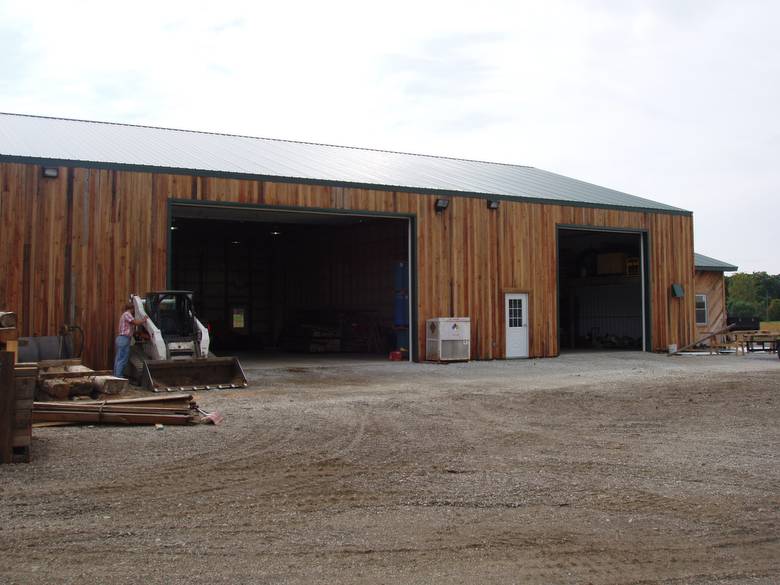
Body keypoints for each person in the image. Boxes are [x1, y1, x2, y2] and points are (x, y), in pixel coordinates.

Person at [113, 301, 148, 378]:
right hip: (124, 339)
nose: (134, 311)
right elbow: (135, 322)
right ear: (131, 308)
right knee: (122, 359)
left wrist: (138, 333)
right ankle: (119, 377)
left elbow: (131, 327)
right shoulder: (127, 314)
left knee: (119, 358)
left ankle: (116, 376)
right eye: (134, 309)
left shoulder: (124, 315)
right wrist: (144, 320)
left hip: (122, 339)